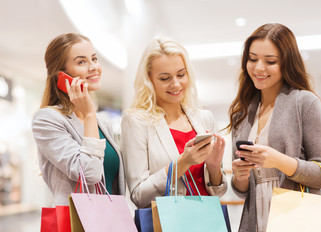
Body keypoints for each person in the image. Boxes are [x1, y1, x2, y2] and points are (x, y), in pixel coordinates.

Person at [227, 23, 321, 232]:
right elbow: (241, 190)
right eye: (252, 58)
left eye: (270, 61)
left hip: (300, 219)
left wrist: (278, 160)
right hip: (260, 219)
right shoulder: (242, 113)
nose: (258, 68)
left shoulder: (304, 102)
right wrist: (240, 177)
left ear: (287, 62)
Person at [120, 38, 228, 208]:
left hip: (208, 222)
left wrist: (214, 167)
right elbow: (138, 195)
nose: (176, 84)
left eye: (181, 74)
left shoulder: (204, 118)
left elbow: (219, 192)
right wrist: (183, 162)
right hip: (168, 226)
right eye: (165, 78)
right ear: (149, 80)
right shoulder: (135, 122)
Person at [32, 33, 126, 206]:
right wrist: (89, 114)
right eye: (81, 62)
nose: (93, 67)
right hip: (77, 225)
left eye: (94, 59)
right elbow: (89, 173)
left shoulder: (101, 121)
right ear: (62, 75)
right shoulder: (47, 119)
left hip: (110, 221)